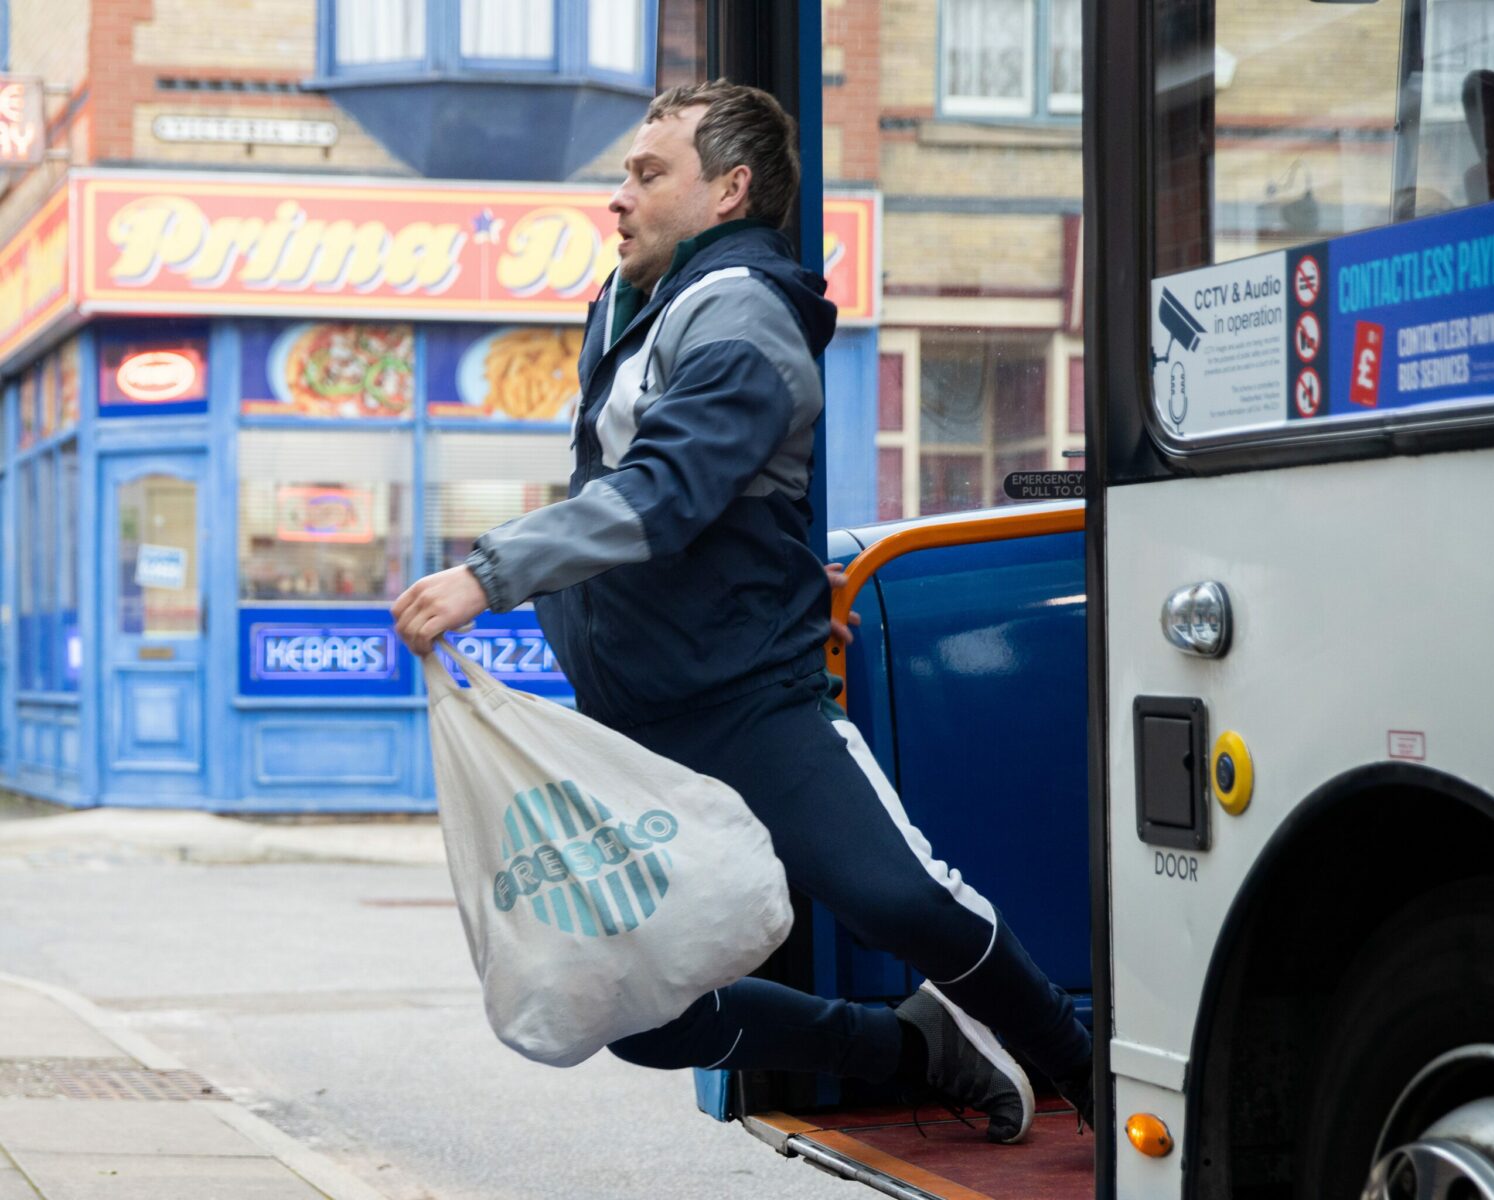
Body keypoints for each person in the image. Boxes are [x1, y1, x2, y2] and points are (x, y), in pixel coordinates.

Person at [393, 79, 1092, 1142]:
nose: (618, 198)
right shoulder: (639, 304)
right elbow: (718, 490)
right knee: (635, 1005)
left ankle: (1096, 1088)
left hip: (745, 708)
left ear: (729, 188)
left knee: (902, 900)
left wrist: (490, 574)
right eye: (625, 173)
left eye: (646, 172)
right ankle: (911, 1048)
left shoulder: (740, 310)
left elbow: (667, 491)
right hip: (633, 718)